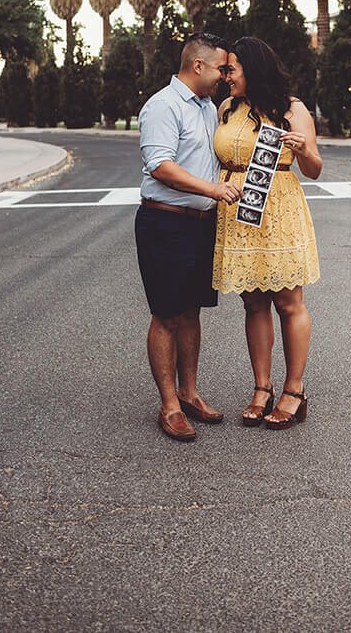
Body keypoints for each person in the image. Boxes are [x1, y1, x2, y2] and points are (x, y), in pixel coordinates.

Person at [214, 36, 323, 430]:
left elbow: (314, 168)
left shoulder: (292, 110)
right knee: (253, 304)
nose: (225, 77)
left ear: (253, 69)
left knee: (288, 301)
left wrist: (303, 149)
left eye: (231, 69)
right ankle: (262, 388)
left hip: (278, 208)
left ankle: (294, 390)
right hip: (238, 211)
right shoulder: (227, 109)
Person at [136, 32, 241, 442]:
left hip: (200, 225)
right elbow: (160, 165)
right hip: (165, 223)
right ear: (197, 66)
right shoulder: (162, 106)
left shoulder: (208, 107)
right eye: (220, 68)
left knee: (192, 310)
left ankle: (190, 393)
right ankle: (169, 405)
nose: (224, 75)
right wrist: (212, 190)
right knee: (166, 314)